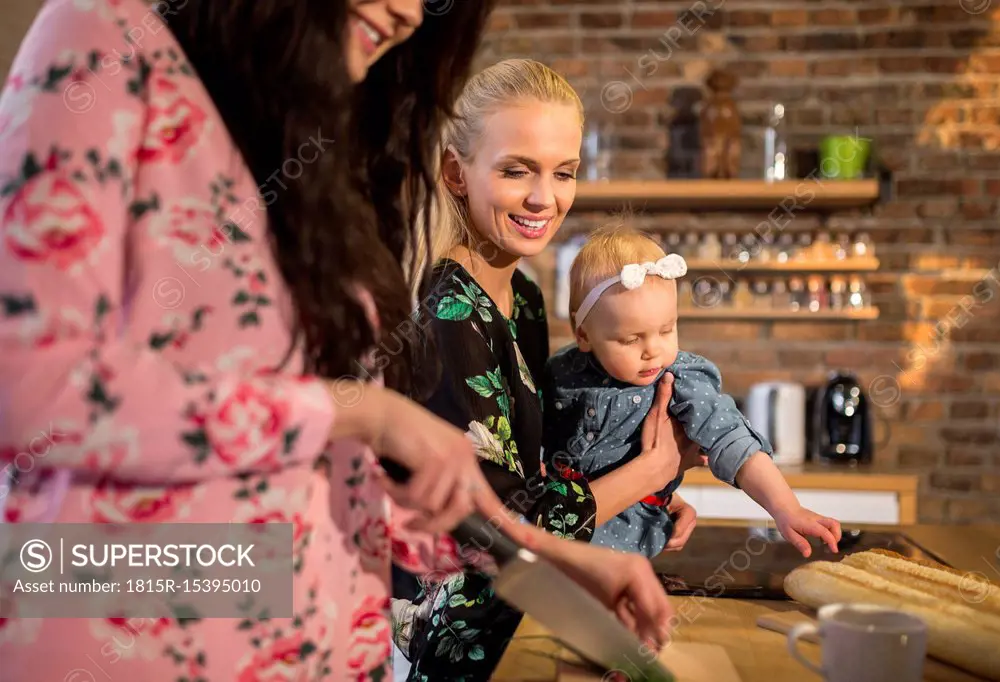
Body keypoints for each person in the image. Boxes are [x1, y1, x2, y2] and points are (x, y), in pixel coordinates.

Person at [0, 2, 675, 679]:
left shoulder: (306, 138)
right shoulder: (102, 38)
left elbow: (323, 484)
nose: (409, 11)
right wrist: (358, 411)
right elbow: (27, 386)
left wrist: (543, 554)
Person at [392, 59, 703, 682]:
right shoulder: (447, 310)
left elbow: (542, 468)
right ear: (457, 172)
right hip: (456, 640)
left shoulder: (526, 297)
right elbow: (497, 521)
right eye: (516, 170)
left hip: (529, 605)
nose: (545, 198)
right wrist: (651, 468)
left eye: (563, 173)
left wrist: (644, 500)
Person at [545, 225, 844, 558]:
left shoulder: (681, 379)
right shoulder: (559, 372)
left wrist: (787, 508)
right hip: (553, 546)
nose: (653, 350)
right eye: (631, 339)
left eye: (667, 329)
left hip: (629, 549)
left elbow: (733, 441)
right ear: (583, 334)